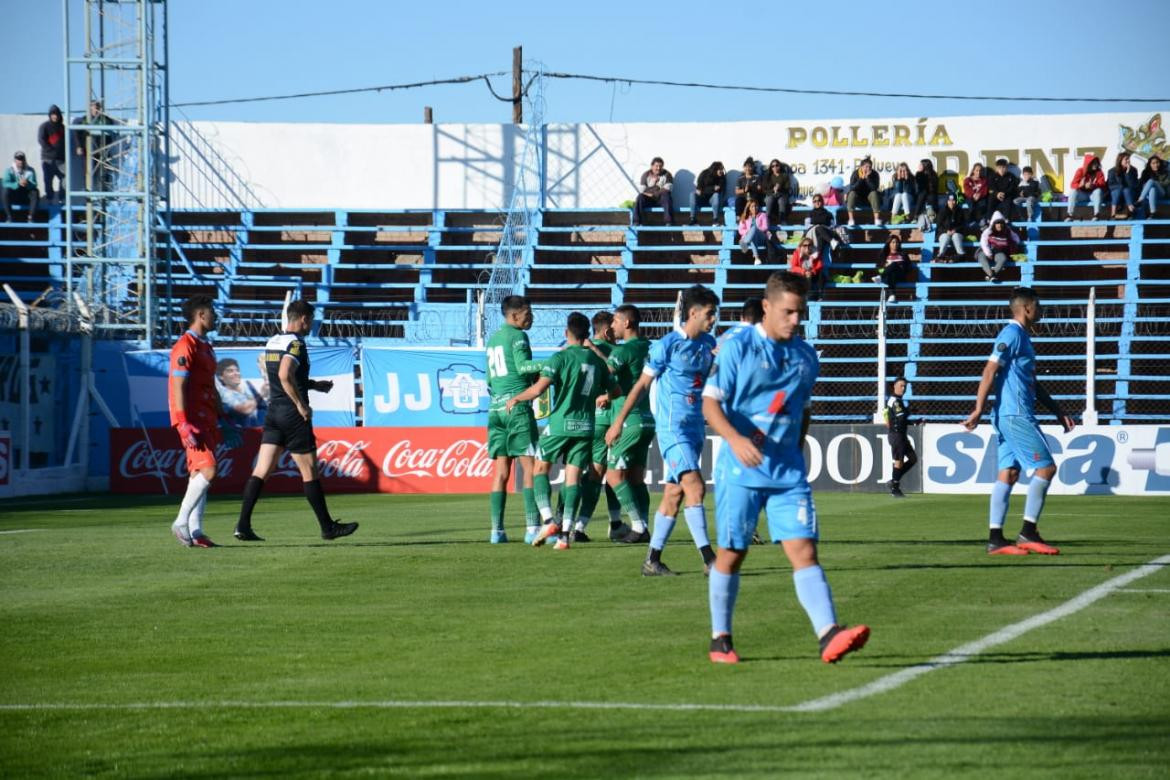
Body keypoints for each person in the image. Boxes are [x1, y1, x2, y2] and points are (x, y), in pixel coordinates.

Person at [702, 270, 870, 664]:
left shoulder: (805, 357)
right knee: (731, 554)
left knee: (804, 550)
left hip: (787, 473)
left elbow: (803, 409)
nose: (796, 321)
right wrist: (735, 439)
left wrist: (795, 449)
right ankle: (720, 638)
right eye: (788, 312)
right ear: (766, 307)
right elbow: (710, 403)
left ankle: (828, 634)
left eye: (801, 313)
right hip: (741, 469)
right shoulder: (737, 347)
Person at [607, 284, 720, 575]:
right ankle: (710, 560)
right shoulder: (667, 345)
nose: (713, 319)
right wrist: (619, 421)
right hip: (672, 429)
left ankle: (652, 560)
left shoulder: (708, 344)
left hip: (695, 428)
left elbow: (709, 381)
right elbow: (642, 385)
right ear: (692, 313)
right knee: (695, 486)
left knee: (674, 494)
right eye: (709, 314)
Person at [962, 287, 1076, 556]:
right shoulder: (1012, 334)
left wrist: (1057, 410)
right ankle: (1028, 531)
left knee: (1009, 473)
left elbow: (1032, 383)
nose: (1042, 310)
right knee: (1046, 469)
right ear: (1027, 308)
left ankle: (995, 540)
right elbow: (990, 369)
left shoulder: (1022, 337)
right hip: (1015, 415)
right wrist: (978, 408)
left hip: (1009, 415)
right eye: (1039, 305)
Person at [233, 299, 357, 542]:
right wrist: (301, 404)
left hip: (274, 412)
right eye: (310, 320)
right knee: (309, 470)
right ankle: (327, 527)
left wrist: (313, 385)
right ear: (303, 319)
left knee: (262, 470)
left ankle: (243, 525)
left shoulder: (273, 341)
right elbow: (284, 374)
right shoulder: (296, 343)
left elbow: (279, 379)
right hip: (292, 414)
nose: (311, 325)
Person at [506, 312, 617, 550]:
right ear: (586, 334)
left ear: (567, 333)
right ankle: (565, 535)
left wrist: (516, 398)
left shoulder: (560, 358)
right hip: (586, 426)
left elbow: (538, 390)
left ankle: (548, 521)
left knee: (539, 468)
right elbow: (616, 390)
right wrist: (603, 396)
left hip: (560, 425)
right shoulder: (596, 361)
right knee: (573, 478)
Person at [168, 295, 230, 548]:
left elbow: (210, 385)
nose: (216, 316)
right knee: (209, 469)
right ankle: (180, 522)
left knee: (197, 474)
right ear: (201, 315)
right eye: (213, 312)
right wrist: (182, 421)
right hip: (192, 419)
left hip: (208, 417)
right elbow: (178, 385)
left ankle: (196, 530)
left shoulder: (205, 346)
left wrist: (223, 416)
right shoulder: (185, 346)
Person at [484, 295, 543, 544]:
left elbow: (488, 381)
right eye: (528, 314)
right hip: (516, 407)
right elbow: (523, 367)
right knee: (530, 468)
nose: (531, 318)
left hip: (496, 409)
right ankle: (532, 529)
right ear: (514, 315)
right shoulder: (518, 336)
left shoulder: (493, 340)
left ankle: (496, 532)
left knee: (501, 472)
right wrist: (551, 365)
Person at [601, 304, 656, 543]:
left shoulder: (622, 352)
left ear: (627, 323)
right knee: (635, 479)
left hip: (628, 420)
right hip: (647, 419)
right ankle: (644, 525)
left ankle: (638, 525)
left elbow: (606, 375)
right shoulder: (648, 347)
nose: (612, 325)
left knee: (613, 477)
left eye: (615, 320)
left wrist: (592, 351)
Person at [571, 310, 625, 541]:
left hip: (583, 420)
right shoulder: (615, 352)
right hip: (608, 419)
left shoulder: (575, 352)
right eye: (614, 327)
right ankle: (585, 526)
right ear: (607, 331)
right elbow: (618, 382)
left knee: (584, 473)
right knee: (609, 473)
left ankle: (576, 523)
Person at [883, 376, 917, 498]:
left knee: (913, 459)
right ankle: (895, 488)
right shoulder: (895, 401)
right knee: (899, 461)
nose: (903, 388)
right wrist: (909, 413)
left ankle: (893, 481)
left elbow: (899, 418)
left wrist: (913, 421)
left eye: (905, 386)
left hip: (900, 434)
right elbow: (901, 416)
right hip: (896, 435)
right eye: (901, 386)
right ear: (894, 386)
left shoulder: (897, 400)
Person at [75, 100, 113, 191]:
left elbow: (110, 131)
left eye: (98, 107)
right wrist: (79, 146)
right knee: (88, 174)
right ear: (90, 108)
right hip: (89, 153)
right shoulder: (85, 120)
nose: (96, 109)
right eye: (94, 107)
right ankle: (88, 196)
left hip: (103, 152)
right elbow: (78, 133)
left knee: (104, 174)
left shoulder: (105, 120)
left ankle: (104, 196)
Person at [216, 357, 264, 427]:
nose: (236, 373)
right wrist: (262, 395)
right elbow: (245, 410)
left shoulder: (248, 387)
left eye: (237, 370)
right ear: (221, 377)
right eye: (230, 371)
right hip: (241, 434)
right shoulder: (224, 395)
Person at [976, 211, 1021, 282]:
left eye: (1000, 223)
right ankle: (991, 274)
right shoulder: (988, 231)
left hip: (999, 252)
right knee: (981, 257)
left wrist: (1012, 243)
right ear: (994, 224)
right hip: (988, 250)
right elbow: (983, 242)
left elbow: (1016, 239)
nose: (999, 225)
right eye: (997, 223)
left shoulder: (1008, 231)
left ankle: (990, 275)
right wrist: (988, 253)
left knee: (1003, 258)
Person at [632, 157, 674, 226]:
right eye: (656, 166)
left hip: (661, 199)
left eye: (660, 166)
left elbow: (668, 188)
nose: (658, 168)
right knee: (640, 197)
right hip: (649, 199)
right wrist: (655, 186)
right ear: (652, 166)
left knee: (666, 195)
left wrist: (653, 194)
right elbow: (642, 191)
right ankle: (636, 221)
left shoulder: (667, 174)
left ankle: (668, 222)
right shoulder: (646, 175)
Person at [874, 234, 914, 304]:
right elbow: (878, 267)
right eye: (893, 242)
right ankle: (892, 295)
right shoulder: (884, 254)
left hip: (900, 275)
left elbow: (909, 267)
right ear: (889, 243)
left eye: (897, 242)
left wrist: (902, 266)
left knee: (894, 264)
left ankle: (881, 278)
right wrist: (885, 266)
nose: (895, 244)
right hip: (888, 276)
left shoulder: (903, 254)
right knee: (891, 271)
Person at [37, 105, 66, 203]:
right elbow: (41, 140)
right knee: (48, 180)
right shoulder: (44, 126)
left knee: (66, 178)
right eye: (53, 114)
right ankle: (50, 198)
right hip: (48, 159)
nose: (55, 116)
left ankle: (62, 198)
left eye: (57, 114)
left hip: (61, 160)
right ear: (50, 115)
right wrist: (50, 150)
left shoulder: (63, 128)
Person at [1065, 153, 1106, 221]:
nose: (1096, 165)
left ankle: (1097, 214)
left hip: (1093, 196)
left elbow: (1103, 184)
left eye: (1096, 163)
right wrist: (1081, 185)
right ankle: (1069, 215)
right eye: (1093, 163)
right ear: (1088, 164)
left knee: (1098, 191)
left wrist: (1093, 186)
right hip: (1082, 195)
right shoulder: (1080, 171)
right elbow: (1072, 184)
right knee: (1073, 191)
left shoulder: (1099, 172)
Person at [2, 152, 39, 223]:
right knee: (5, 191)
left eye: (22, 159)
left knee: (35, 192)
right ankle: (9, 216)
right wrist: (17, 184)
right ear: (15, 160)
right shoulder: (9, 170)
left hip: (25, 196)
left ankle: (30, 217)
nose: (20, 161)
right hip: (14, 196)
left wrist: (27, 183)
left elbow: (34, 184)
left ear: (25, 160)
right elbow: (5, 183)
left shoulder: (30, 170)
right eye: (18, 159)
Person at [688, 160, 726, 227]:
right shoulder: (704, 173)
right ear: (715, 169)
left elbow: (719, 190)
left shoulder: (722, 177)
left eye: (722, 169)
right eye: (720, 169)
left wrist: (705, 189)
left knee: (716, 195)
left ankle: (715, 220)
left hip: (713, 201)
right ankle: (693, 219)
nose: (721, 171)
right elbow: (699, 189)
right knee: (692, 194)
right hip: (702, 198)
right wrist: (713, 188)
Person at [846, 157, 881, 226]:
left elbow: (874, 188)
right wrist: (861, 179)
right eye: (866, 167)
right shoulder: (855, 173)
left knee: (874, 193)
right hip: (858, 198)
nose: (868, 169)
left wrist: (867, 178)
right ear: (861, 167)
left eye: (870, 167)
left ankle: (877, 219)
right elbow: (852, 188)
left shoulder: (875, 174)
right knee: (852, 193)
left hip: (869, 199)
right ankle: (851, 219)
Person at [737, 200, 771, 265]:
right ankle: (757, 258)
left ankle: (744, 242)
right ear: (749, 208)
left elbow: (765, 227)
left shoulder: (763, 215)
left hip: (761, 236)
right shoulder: (745, 217)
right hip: (750, 238)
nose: (754, 208)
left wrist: (754, 230)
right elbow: (740, 230)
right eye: (752, 206)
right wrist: (749, 232)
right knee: (752, 236)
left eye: (756, 206)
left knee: (754, 228)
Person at [1107, 152, 1139, 219]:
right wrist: (1121, 187)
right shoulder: (1112, 171)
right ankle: (1113, 213)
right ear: (1120, 160)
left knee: (1126, 190)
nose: (1128, 161)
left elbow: (1134, 185)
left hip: (1129, 193)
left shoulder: (1133, 170)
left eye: (1129, 159)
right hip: (1116, 193)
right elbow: (1110, 185)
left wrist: (1128, 173)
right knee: (1118, 190)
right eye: (1126, 159)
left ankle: (1131, 210)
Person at [762, 159, 794, 224]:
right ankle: (768, 219)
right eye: (773, 166)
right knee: (769, 200)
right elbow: (764, 189)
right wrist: (773, 190)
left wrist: (780, 188)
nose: (775, 167)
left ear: (780, 166)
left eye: (777, 165)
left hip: (782, 194)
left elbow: (788, 188)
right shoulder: (768, 176)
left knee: (781, 201)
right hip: (771, 194)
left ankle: (782, 220)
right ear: (771, 168)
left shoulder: (784, 176)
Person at [936, 192, 966, 260]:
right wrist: (946, 231)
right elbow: (939, 225)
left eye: (953, 200)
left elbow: (962, 224)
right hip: (944, 233)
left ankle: (961, 254)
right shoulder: (942, 211)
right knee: (945, 237)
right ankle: (940, 255)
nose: (952, 202)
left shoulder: (960, 211)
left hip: (957, 232)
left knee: (956, 236)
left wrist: (955, 230)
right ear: (947, 201)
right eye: (950, 200)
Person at [987, 158, 1019, 223]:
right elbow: (991, 188)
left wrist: (1004, 194)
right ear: (996, 168)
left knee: (1009, 201)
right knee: (990, 199)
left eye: (1003, 167)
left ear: (1007, 168)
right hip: (996, 195)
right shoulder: (992, 176)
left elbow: (1012, 188)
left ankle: (1006, 218)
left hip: (1006, 195)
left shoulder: (1011, 177)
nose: (1001, 169)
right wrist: (997, 194)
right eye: (999, 167)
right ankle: (989, 219)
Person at [963, 162, 990, 227]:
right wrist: (973, 195)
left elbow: (985, 189)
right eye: (977, 170)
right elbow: (967, 189)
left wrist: (979, 194)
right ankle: (973, 220)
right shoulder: (968, 180)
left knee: (982, 204)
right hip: (970, 197)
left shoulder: (984, 180)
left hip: (981, 198)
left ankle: (981, 220)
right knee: (971, 204)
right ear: (973, 171)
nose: (978, 172)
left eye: (980, 170)